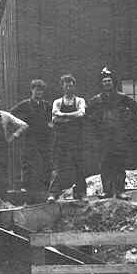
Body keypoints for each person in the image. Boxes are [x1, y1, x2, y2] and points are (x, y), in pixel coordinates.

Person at [87, 68, 137, 199]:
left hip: (119, 135)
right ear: (101, 84)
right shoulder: (96, 100)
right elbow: (87, 115)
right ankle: (107, 191)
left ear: (113, 83)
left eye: (109, 81)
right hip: (104, 137)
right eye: (105, 81)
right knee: (105, 163)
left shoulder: (122, 97)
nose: (107, 83)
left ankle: (120, 191)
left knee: (119, 163)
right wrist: (97, 126)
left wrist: (128, 123)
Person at [48, 74, 88, 202]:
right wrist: (71, 116)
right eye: (66, 86)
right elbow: (54, 117)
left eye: (71, 86)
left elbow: (81, 113)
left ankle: (81, 193)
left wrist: (63, 116)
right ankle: (54, 193)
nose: (68, 88)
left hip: (76, 139)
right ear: (62, 87)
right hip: (61, 139)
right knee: (59, 166)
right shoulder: (58, 102)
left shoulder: (80, 100)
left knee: (79, 165)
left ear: (74, 87)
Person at [11, 80, 53, 194]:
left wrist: (50, 124)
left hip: (44, 137)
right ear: (32, 90)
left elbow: (53, 117)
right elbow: (11, 115)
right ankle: (26, 186)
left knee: (46, 161)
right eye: (36, 89)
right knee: (27, 161)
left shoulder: (46, 105)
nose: (38, 92)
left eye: (40, 90)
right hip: (30, 137)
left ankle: (45, 187)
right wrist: (21, 126)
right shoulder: (25, 104)